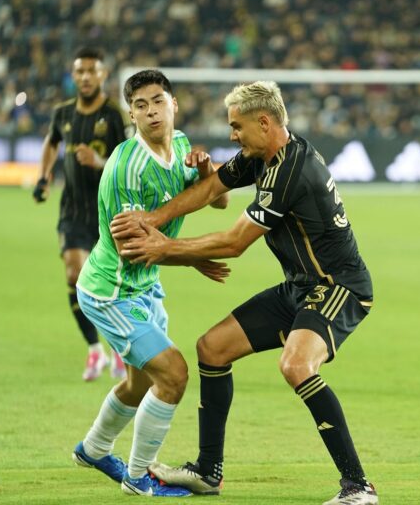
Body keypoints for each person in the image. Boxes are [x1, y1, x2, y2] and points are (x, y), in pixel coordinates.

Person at [111, 81, 378, 505]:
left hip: (337, 287)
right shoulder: (264, 156)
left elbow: (235, 243)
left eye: (237, 126)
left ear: (264, 122)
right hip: (300, 287)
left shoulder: (291, 171)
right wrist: (155, 219)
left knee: (296, 365)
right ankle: (207, 472)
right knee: (212, 348)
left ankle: (358, 487)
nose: (232, 135)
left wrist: (164, 248)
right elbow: (212, 186)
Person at [72, 69, 229, 496]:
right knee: (174, 375)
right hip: (112, 292)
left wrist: (208, 170)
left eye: (158, 100)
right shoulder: (127, 168)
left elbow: (222, 201)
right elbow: (132, 250)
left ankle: (94, 448)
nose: (151, 111)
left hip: (142, 288)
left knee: (142, 382)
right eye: (140, 105)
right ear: (131, 115)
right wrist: (195, 257)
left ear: (173, 104)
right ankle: (138, 479)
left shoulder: (181, 147)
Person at [33, 47, 131, 381]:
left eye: (92, 71)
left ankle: (119, 348)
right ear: (73, 76)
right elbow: (51, 142)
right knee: (74, 275)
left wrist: (101, 163)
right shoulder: (62, 113)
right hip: (73, 211)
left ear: (103, 75)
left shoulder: (117, 114)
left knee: (110, 286)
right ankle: (94, 351)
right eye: (80, 71)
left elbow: (132, 161)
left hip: (110, 215)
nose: (85, 77)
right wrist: (43, 178)